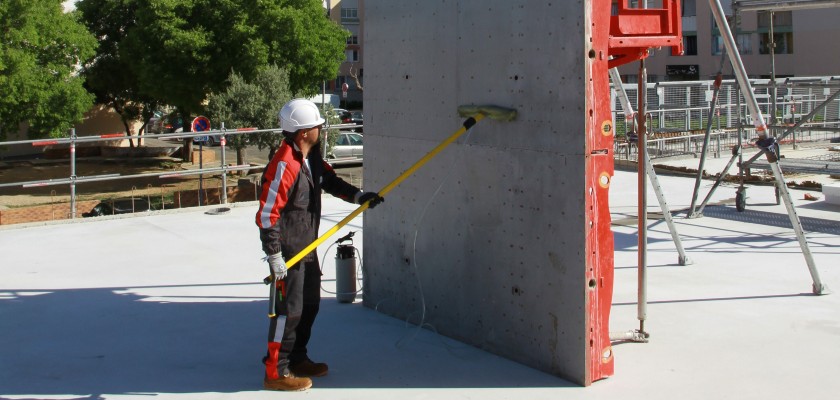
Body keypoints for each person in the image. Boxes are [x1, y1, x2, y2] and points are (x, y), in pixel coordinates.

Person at [256, 98, 383, 391]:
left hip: (307, 247)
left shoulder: (310, 157)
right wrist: (274, 254)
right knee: (288, 312)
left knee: (310, 306)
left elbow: (329, 180)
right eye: (317, 126)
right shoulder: (284, 164)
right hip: (289, 252)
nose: (321, 129)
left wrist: (358, 196)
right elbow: (266, 215)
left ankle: (298, 358)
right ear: (303, 132)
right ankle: (276, 371)